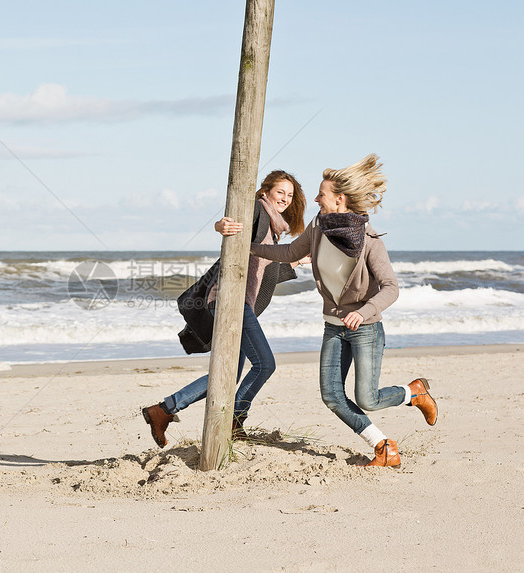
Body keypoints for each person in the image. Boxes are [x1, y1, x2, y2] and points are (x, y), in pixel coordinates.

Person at [249, 154, 437, 468]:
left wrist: (364, 312)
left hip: (365, 328)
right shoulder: (318, 227)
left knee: (368, 398)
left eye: (321, 194)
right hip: (333, 326)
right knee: (332, 396)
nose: (316, 199)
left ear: (339, 199)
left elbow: (391, 287)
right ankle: (383, 446)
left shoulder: (370, 241)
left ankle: (412, 394)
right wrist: (247, 246)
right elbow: (289, 252)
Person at [142, 170, 309, 448]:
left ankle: (163, 410)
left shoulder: (273, 229)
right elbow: (232, 221)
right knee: (265, 364)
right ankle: (235, 419)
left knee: (227, 374)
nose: (285, 199)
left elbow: (263, 274)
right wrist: (221, 226)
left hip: (238, 304)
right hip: (230, 302)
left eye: (290, 195)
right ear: (265, 191)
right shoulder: (258, 210)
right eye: (280, 192)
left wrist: (298, 262)